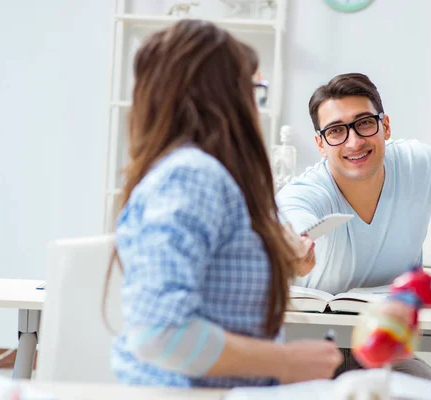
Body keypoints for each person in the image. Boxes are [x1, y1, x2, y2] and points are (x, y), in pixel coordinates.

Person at [105, 20, 343, 388]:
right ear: (221, 96)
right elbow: (160, 332)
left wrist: (279, 259)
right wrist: (287, 361)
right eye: (251, 88)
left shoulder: (205, 174)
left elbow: (218, 285)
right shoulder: (192, 176)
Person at [275, 73, 431, 378]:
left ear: (386, 126)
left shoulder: (422, 166)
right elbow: (290, 217)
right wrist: (294, 248)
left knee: (423, 387)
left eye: (364, 123)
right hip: (312, 346)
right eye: (336, 131)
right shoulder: (308, 189)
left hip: (388, 347)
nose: (354, 141)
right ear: (320, 143)